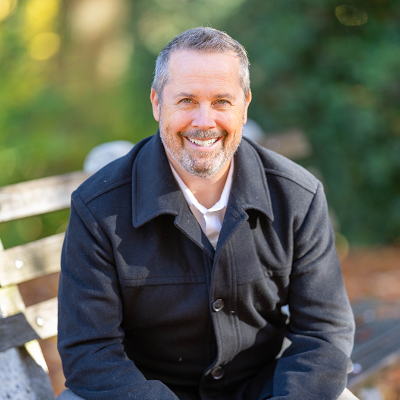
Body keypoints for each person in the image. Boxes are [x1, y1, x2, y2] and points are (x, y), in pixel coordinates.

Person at [57, 27, 356, 400]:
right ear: (156, 103)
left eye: (221, 101)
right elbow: (89, 351)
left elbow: (325, 333)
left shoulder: (298, 196)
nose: (203, 121)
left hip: (262, 390)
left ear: (244, 106)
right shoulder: (98, 207)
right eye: (186, 100)